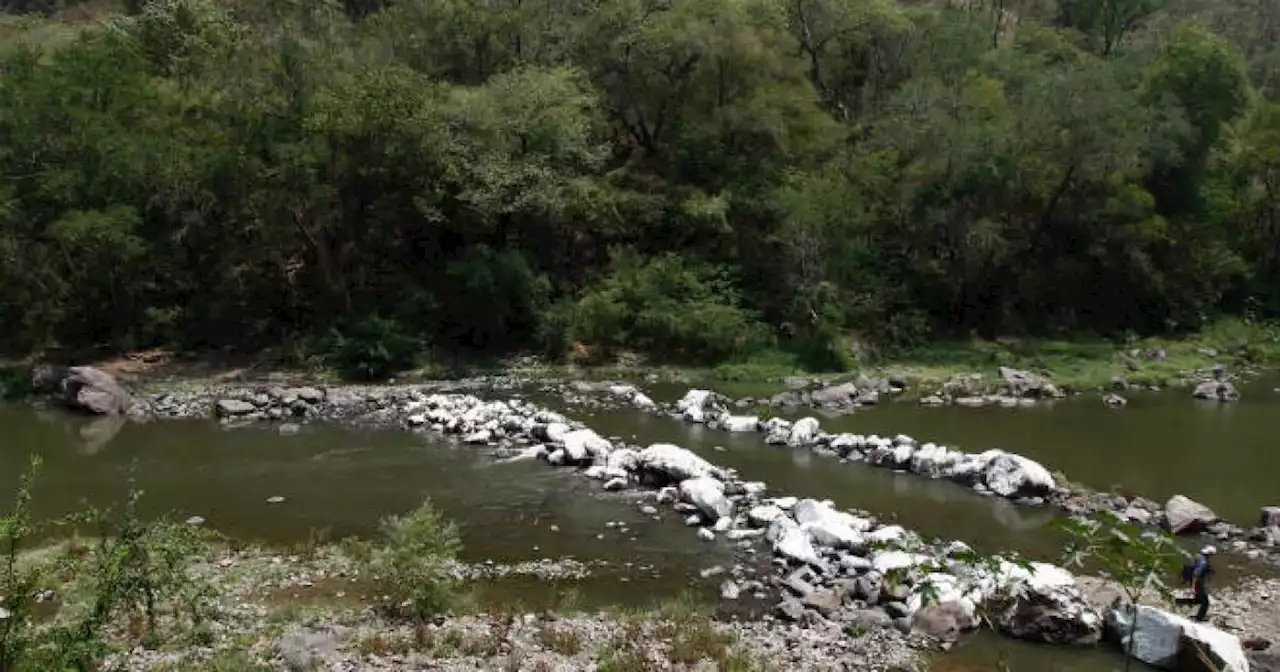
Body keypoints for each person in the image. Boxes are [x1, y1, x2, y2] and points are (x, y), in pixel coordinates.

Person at [1176, 546, 1216, 621]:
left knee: (1198, 600)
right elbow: (1196, 574)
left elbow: (1191, 566)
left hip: (1192, 580)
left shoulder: (1198, 556)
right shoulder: (1203, 562)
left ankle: (1178, 602)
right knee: (1205, 602)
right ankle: (1199, 618)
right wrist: (1193, 588)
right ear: (1210, 554)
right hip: (1197, 583)